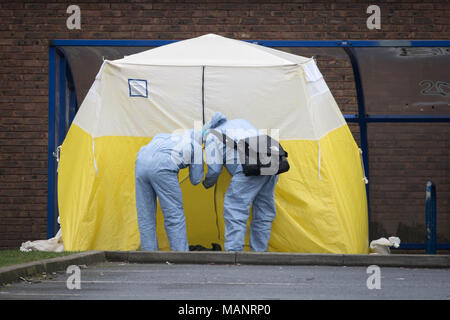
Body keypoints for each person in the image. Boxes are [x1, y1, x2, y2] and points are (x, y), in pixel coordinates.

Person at [202, 112, 279, 252]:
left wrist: (206, 183)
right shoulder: (241, 122)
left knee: (235, 208)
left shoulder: (212, 136)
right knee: (263, 210)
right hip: (273, 163)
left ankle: (234, 252)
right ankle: (259, 253)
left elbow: (214, 170)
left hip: (249, 167)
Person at [135, 129, 203, 251]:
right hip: (163, 166)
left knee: (145, 215)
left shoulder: (163, 136)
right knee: (174, 215)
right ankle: (180, 255)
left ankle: (148, 255)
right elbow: (196, 179)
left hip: (140, 162)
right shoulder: (196, 145)